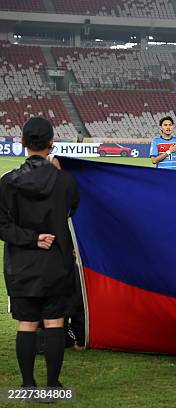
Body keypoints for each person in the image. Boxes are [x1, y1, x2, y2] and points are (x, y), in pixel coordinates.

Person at [0, 117, 80, 389]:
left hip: (21, 265)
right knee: (55, 321)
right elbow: (73, 208)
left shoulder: (8, 182)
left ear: (23, 143)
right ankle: (53, 385)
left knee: (27, 323)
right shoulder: (65, 181)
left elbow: (3, 226)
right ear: (50, 143)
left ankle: (27, 385)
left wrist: (31, 239)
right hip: (56, 261)